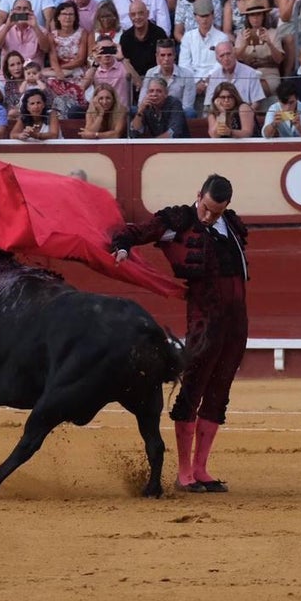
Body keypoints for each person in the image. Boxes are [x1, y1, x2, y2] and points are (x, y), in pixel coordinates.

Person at [110, 174, 248, 493]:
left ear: (227, 206)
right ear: (198, 195)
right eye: (206, 208)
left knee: (219, 391)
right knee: (194, 387)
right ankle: (184, 471)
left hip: (237, 322)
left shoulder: (232, 225)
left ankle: (201, 469)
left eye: (217, 211)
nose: (209, 216)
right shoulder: (179, 219)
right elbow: (137, 232)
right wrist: (121, 245)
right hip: (204, 318)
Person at [142, 37, 196, 117]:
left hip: (178, 115)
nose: (166, 59)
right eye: (163, 55)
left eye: (169, 55)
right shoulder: (150, 73)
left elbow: (187, 106)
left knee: (190, 112)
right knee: (132, 110)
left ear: (174, 56)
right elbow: (142, 100)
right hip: (154, 114)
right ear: (157, 56)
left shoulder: (187, 75)